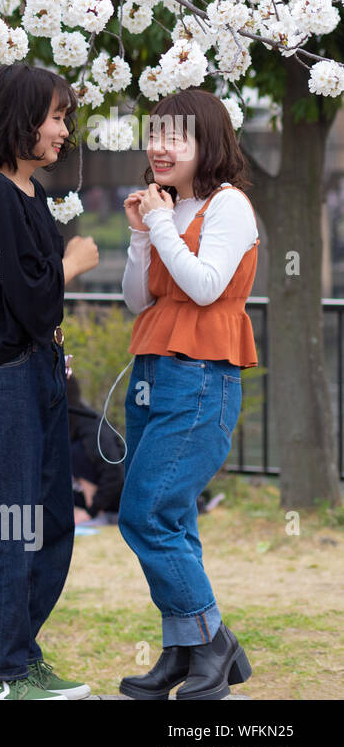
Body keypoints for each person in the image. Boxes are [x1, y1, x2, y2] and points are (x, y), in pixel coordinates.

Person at [0, 62, 99, 700]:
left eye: (65, 116)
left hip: (38, 376)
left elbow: (38, 310)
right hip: (0, 384)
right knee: (11, 528)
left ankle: (20, 653)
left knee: (54, 527)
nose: (64, 130)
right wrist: (72, 263)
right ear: (20, 120)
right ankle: (0, 676)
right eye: (56, 117)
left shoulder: (32, 194)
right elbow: (34, 301)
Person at [117, 89, 257, 700]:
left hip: (202, 375)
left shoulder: (230, 207)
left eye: (177, 136)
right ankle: (182, 653)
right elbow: (136, 299)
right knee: (172, 518)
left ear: (209, 142)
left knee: (143, 513)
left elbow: (203, 288)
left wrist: (160, 225)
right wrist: (144, 234)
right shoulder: (166, 207)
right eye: (155, 133)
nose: (161, 146)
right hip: (153, 370)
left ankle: (213, 643)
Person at [65, 373, 124, 524]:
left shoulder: (90, 425)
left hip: (116, 497)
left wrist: (91, 511)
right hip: (87, 495)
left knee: (75, 452)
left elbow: (114, 473)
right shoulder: (65, 426)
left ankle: (93, 511)